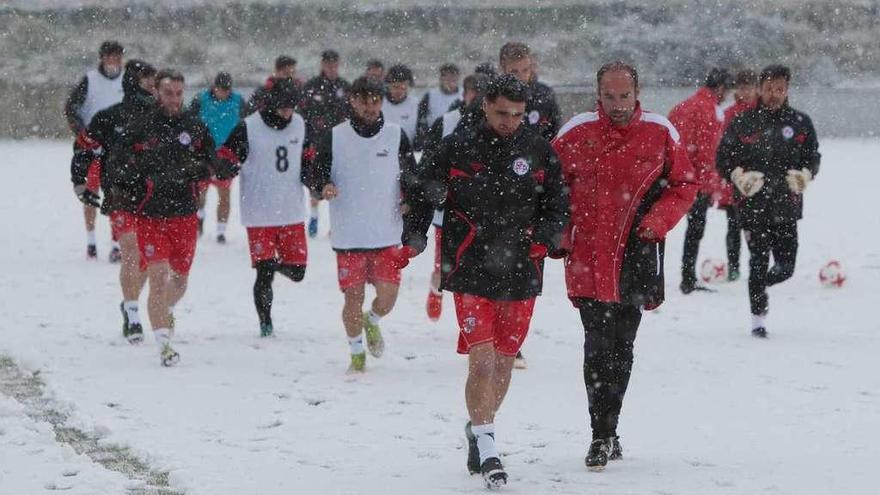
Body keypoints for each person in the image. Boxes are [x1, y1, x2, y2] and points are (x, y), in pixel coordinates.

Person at [402, 74, 569, 488]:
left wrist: (546, 240)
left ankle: (480, 427)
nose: (509, 121)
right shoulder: (459, 145)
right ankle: (490, 447)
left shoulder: (538, 151)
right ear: (484, 108)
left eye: (516, 114)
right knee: (482, 359)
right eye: (500, 113)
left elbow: (559, 205)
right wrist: (416, 232)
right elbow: (420, 185)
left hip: (521, 269)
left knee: (504, 361)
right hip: (471, 264)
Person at [551, 61, 697, 470]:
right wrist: (560, 235)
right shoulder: (575, 133)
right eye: (609, 96)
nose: (617, 105)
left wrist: (656, 223)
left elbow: (685, 184)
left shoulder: (659, 131)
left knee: (622, 347)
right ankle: (600, 433)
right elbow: (549, 187)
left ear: (638, 93)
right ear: (598, 94)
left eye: (624, 96)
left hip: (637, 255)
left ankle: (611, 426)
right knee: (596, 346)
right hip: (587, 259)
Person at [311, 77, 416, 373]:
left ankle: (373, 321)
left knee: (387, 298)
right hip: (349, 235)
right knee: (352, 298)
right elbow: (314, 174)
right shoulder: (334, 137)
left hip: (386, 233)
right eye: (364, 100)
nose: (370, 107)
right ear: (352, 101)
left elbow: (412, 177)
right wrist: (324, 185)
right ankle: (356, 352)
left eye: (375, 100)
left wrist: (410, 200)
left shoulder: (396, 135)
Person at [118, 70, 215, 366]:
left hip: (185, 215)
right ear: (157, 93)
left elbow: (211, 160)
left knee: (180, 281)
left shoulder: (194, 126)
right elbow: (120, 162)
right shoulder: (142, 126)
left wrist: (201, 168)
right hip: (150, 214)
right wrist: (127, 186)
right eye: (168, 93)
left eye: (178, 93)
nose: (174, 99)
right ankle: (164, 345)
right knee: (158, 277)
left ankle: (165, 309)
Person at [716, 64, 820, 338]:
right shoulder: (743, 123)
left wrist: (806, 174)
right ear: (760, 89)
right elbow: (723, 159)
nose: (774, 94)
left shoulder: (800, 122)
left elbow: (813, 157)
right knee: (758, 261)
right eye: (769, 88)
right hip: (753, 207)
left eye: (780, 89)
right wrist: (738, 176)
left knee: (786, 267)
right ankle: (758, 320)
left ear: (787, 90)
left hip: (786, 207)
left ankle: (760, 284)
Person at [212, 80, 311, 338]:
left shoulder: (300, 125)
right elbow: (227, 156)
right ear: (271, 104)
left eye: (292, 107)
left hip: (291, 211)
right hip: (259, 213)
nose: (288, 112)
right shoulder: (249, 127)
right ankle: (265, 323)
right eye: (283, 107)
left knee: (298, 272)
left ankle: (269, 264)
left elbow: (309, 159)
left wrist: (317, 181)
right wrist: (226, 166)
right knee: (264, 275)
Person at [71, 59, 157, 343]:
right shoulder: (110, 117)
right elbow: (84, 146)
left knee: (146, 256)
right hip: (119, 192)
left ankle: (128, 301)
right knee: (130, 250)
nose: (152, 87)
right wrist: (79, 180)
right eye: (147, 80)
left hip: (155, 195)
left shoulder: (163, 117)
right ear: (133, 83)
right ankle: (133, 315)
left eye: (154, 81)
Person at [419, 73, 487, 323]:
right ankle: (436, 290)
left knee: (479, 272)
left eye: (482, 92)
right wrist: (436, 189)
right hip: (448, 212)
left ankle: (473, 322)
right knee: (446, 268)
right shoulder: (447, 122)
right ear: (464, 93)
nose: (477, 97)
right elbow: (427, 164)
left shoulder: (496, 125)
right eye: (473, 92)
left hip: (483, 213)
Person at [668, 67, 733, 293]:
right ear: (722, 88)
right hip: (697, 181)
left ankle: (679, 276)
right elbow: (707, 153)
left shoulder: (682, 106)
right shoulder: (710, 111)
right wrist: (709, 184)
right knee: (695, 230)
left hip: (674, 177)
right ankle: (687, 278)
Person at [65, 40, 125, 260]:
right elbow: (71, 109)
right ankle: (91, 241)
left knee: (117, 196)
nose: (113, 61)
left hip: (118, 151)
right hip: (93, 148)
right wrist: (83, 135)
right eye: (109, 56)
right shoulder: (89, 80)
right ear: (102, 58)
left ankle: (116, 243)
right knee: (90, 193)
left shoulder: (128, 81)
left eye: (117, 57)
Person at [300, 50, 352, 239]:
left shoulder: (345, 87)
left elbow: (352, 113)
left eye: (334, 64)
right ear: (322, 64)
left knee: (338, 181)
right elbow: (303, 113)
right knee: (316, 179)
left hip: (340, 142)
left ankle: (335, 224)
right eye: (327, 64)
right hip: (317, 140)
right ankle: (314, 217)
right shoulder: (311, 86)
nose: (331, 67)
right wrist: (306, 140)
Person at [190, 72, 244, 243]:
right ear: (214, 87)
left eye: (227, 90)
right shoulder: (201, 100)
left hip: (226, 154)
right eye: (221, 89)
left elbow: (245, 124)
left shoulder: (238, 101)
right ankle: (199, 220)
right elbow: (189, 122)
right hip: (205, 152)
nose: (224, 93)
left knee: (225, 193)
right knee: (200, 192)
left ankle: (221, 230)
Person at [717, 69, 760, 281]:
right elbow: (722, 149)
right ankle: (733, 267)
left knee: (756, 227)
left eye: (749, 87)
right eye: (742, 87)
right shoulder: (729, 114)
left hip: (759, 180)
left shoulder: (763, 112)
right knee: (733, 225)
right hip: (735, 179)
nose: (746, 91)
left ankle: (757, 264)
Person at [498, 42, 561, 141]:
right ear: (503, 69)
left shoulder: (544, 95)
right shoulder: (492, 97)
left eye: (525, 70)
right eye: (514, 72)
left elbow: (554, 135)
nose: (521, 77)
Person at [416, 63, 462, 150]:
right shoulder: (430, 95)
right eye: (447, 79)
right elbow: (421, 118)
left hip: (457, 138)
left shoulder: (463, 95)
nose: (450, 82)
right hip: (435, 138)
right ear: (441, 79)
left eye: (453, 79)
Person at [381, 64, 418, 144]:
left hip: (407, 151)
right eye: (395, 87)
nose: (399, 92)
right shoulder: (379, 103)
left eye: (403, 88)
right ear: (388, 85)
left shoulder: (415, 104)